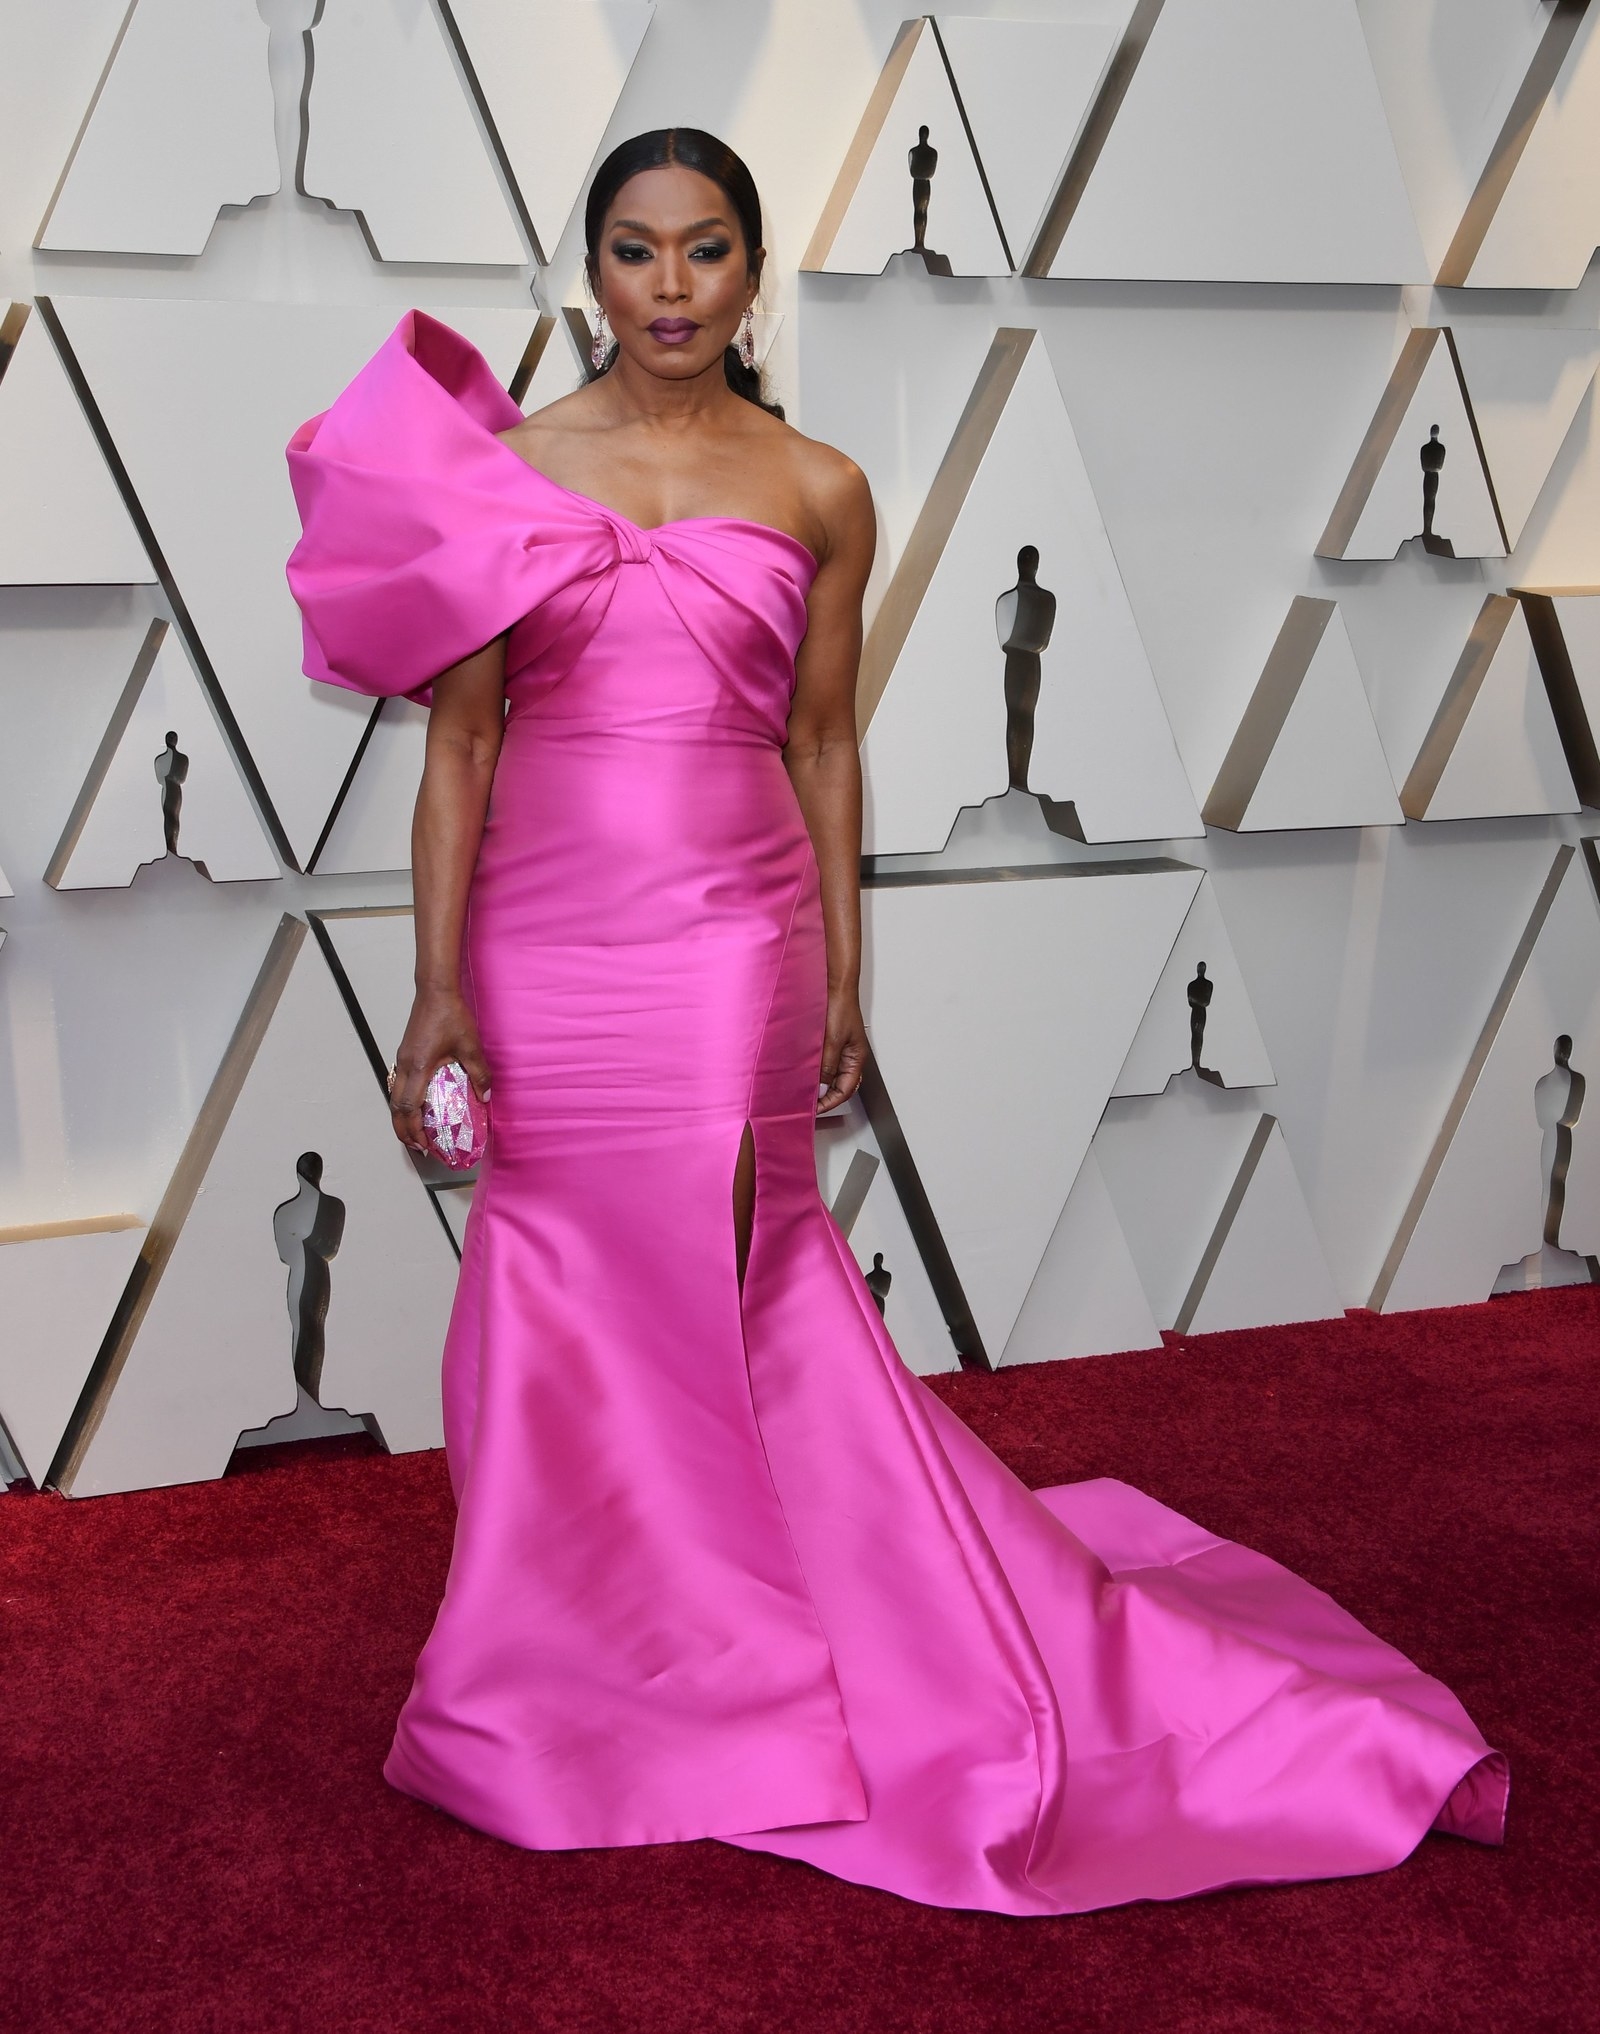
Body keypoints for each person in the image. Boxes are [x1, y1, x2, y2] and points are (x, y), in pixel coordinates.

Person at [284, 128, 1505, 1916]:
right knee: (561, 1277)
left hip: (730, 937)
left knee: (725, 1274)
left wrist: (849, 966)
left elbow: (827, 741)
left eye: (707, 251)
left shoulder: (823, 487)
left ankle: (748, 1657)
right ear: (592, 271)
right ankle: (585, 1664)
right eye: (637, 251)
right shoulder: (510, 473)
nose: (673, 286)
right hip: (547, 942)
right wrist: (439, 981)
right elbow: (460, 741)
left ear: (752, 274)